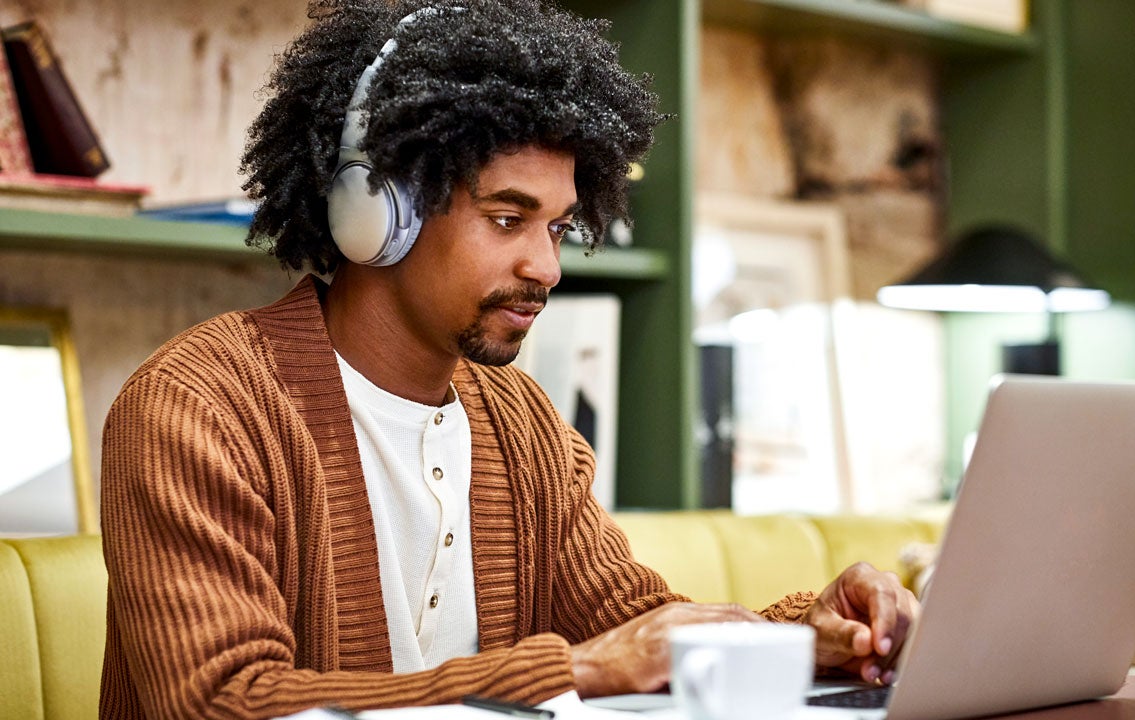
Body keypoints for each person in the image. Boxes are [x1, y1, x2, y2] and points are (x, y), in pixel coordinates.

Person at [98, 1, 919, 718]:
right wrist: (580, 670)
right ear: (380, 212)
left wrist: (813, 637)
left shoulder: (520, 423)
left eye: (558, 227)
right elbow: (222, 703)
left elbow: (639, 626)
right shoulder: (198, 407)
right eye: (506, 218)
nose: (547, 267)